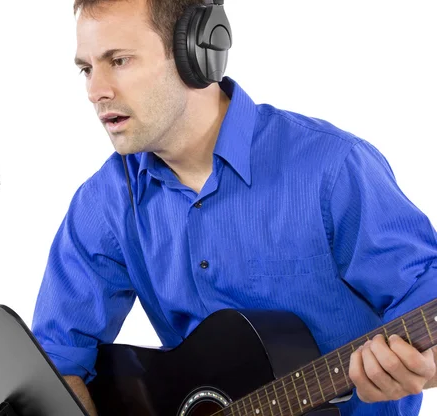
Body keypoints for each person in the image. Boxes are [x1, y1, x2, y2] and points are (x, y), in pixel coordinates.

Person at [31, 0, 437, 415]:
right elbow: (54, 363)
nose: (95, 91)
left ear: (196, 53)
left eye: (118, 60)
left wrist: (422, 365)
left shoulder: (331, 168)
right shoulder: (106, 201)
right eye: (86, 68)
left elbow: (427, 298)